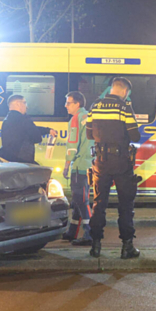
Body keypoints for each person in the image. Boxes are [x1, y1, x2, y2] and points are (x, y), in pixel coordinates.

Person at [87, 77, 141, 259]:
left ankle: (95, 246)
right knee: (125, 205)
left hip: (100, 162)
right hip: (121, 163)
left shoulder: (95, 106)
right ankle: (127, 247)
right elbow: (135, 135)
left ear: (112, 89)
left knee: (98, 204)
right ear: (125, 92)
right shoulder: (125, 108)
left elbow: (88, 134)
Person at [62, 91, 93, 245]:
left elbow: (72, 145)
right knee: (78, 199)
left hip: (80, 166)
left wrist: (67, 165)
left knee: (81, 200)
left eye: (68, 103)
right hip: (90, 165)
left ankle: (89, 233)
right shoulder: (90, 117)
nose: (65, 106)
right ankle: (72, 231)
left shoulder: (76, 119)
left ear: (77, 104)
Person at [0, 95, 56, 164]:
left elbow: (28, 129)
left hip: (9, 160)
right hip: (22, 160)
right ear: (18, 104)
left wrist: (47, 130)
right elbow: (36, 137)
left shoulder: (7, 120)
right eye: (24, 103)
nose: (27, 106)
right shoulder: (23, 119)